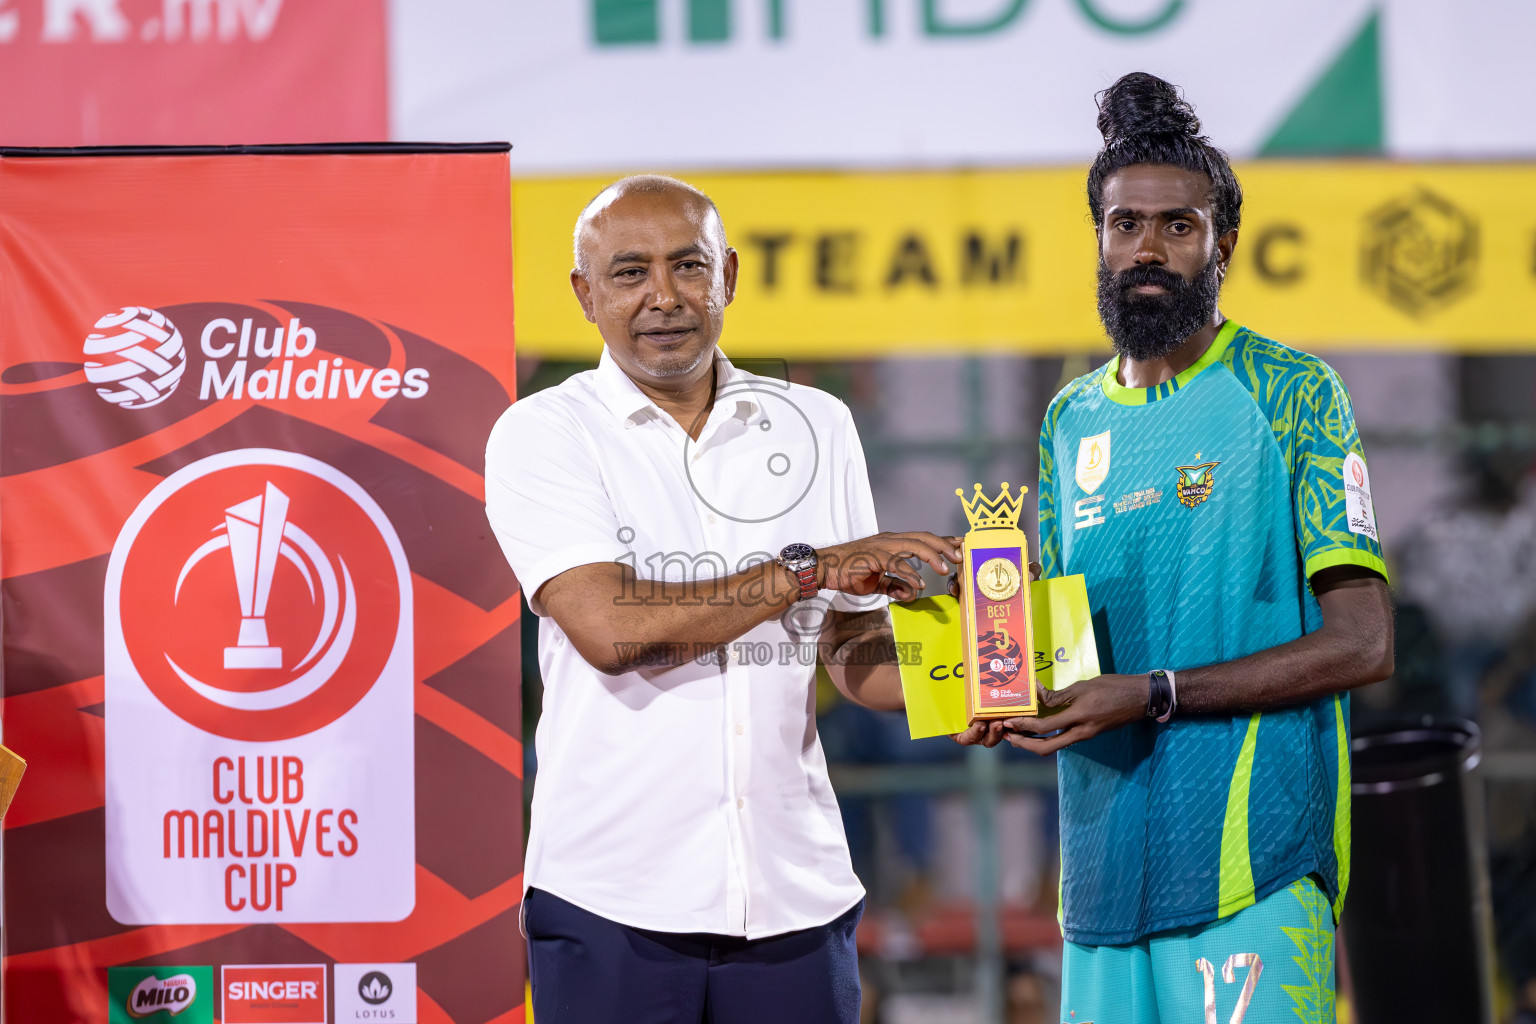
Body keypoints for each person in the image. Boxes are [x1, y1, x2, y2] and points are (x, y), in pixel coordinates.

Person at [961, 73, 1395, 1023]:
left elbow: (1364, 643)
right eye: (1124, 225)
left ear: (1221, 244)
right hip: (1104, 879)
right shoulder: (1070, 420)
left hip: (1253, 864)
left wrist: (1154, 693)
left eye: (1176, 226)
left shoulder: (1292, 392)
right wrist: (1001, 688)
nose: (1146, 249)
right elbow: (1067, 650)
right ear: (1100, 238)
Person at [484, 174, 961, 1024]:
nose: (664, 296)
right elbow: (608, 629)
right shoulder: (545, 432)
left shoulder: (818, 424)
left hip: (794, 896)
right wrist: (807, 570)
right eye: (629, 273)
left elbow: (854, 656)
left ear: (729, 277)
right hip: (611, 901)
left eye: (688, 266)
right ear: (584, 294)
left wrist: (978, 679)